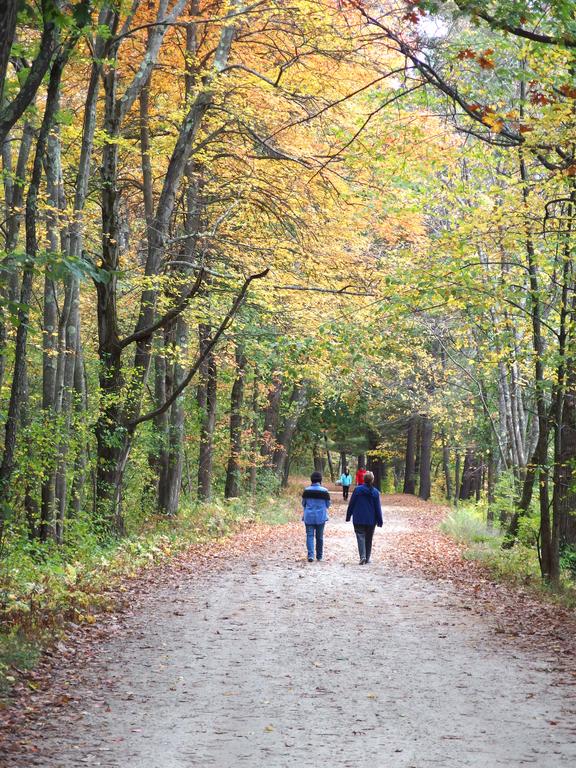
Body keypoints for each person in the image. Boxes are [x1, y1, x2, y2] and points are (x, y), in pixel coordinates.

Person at [346, 470, 383, 564]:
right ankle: (367, 558)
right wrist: (380, 520)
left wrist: (348, 515)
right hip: (371, 520)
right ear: (372, 480)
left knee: (360, 536)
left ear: (363, 479)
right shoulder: (375, 492)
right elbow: (378, 508)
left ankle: (362, 556)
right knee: (369, 538)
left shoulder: (357, 490)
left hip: (358, 518)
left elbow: (352, 503)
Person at [302, 471, 331, 562]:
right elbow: (328, 505)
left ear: (312, 479)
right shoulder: (325, 491)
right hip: (321, 517)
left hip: (309, 517)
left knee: (309, 536)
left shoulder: (306, 490)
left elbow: (303, 503)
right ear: (320, 480)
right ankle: (319, 556)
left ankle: (310, 555)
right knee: (320, 537)